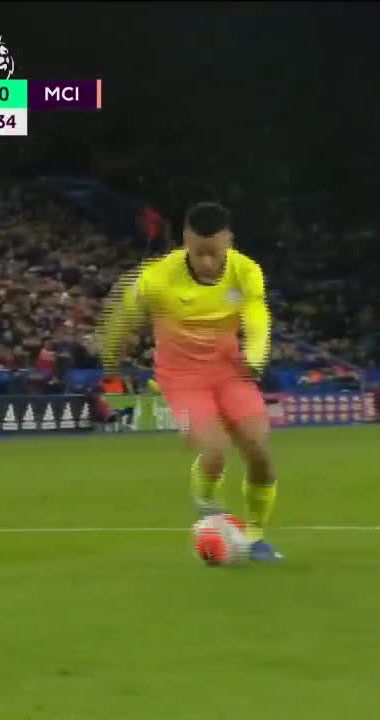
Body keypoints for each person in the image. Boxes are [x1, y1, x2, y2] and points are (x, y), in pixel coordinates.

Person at [99, 202, 282, 562]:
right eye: (200, 254)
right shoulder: (157, 278)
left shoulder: (246, 271)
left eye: (215, 253)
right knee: (214, 451)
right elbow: (122, 317)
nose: (208, 263)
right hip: (181, 379)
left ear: (228, 240)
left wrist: (256, 356)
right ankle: (208, 507)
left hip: (231, 373)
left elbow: (257, 317)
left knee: (260, 454)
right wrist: (111, 357)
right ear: (186, 241)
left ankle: (255, 536)